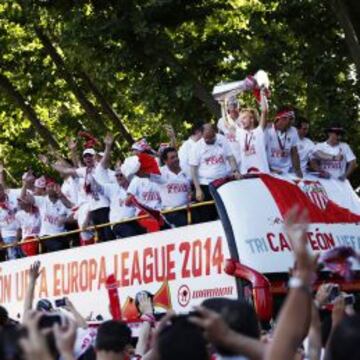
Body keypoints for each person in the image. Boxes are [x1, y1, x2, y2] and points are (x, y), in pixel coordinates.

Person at [41, 148, 114, 242]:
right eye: (85, 156)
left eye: (90, 156)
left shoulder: (100, 167)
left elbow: (106, 158)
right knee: (102, 238)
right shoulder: (84, 171)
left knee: (109, 235)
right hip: (93, 209)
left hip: (104, 206)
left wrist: (108, 146)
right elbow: (66, 170)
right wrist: (49, 163)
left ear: (95, 157)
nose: (88, 158)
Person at [189, 123, 240, 202]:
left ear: (215, 133)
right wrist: (198, 189)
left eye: (212, 137)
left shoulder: (222, 139)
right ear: (202, 135)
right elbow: (193, 170)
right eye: (207, 138)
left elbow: (230, 157)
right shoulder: (196, 147)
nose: (210, 140)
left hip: (223, 181)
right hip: (206, 184)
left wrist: (235, 171)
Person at [21, 176, 73, 253]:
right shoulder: (42, 200)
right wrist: (25, 184)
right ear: (46, 189)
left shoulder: (63, 201)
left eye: (53, 186)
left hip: (61, 235)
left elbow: (73, 215)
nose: (51, 188)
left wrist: (65, 220)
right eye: (48, 186)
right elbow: (23, 197)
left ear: (57, 187)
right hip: (46, 236)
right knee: (59, 248)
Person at [236, 88, 269, 174]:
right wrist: (223, 104)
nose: (241, 121)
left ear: (252, 119)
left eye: (244, 118)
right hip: (245, 174)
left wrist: (262, 94)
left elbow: (264, 111)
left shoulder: (259, 131)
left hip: (262, 173)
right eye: (241, 118)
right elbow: (227, 122)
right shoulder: (240, 133)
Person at [157, 147, 191, 227]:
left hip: (188, 208)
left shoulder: (185, 170)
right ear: (165, 161)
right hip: (172, 211)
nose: (176, 159)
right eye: (172, 158)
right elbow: (146, 175)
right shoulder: (160, 172)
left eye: (176, 156)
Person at [265, 107, 303, 177]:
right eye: (290, 119)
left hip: (286, 172)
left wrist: (298, 171)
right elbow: (261, 152)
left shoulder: (293, 130)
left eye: (293, 119)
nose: (292, 122)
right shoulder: (268, 129)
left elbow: (294, 153)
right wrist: (269, 169)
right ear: (282, 118)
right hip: (269, 170)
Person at [0, 164, 22, 260]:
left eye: (0, 190)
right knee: (13, 258)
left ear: (3, 190)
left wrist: (1, 172)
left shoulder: (12, 196)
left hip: (22, 231)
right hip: (8, 236)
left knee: (25, 256)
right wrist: (1, 241)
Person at [217, 96, 242, 168]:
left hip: (243, 157)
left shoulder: (243, 118)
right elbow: (219, 137)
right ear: (227, 107)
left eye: (235, 105)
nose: (233, 108)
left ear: (238, 106)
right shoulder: (221, 121)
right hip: (229, 159)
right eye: (230, 105)